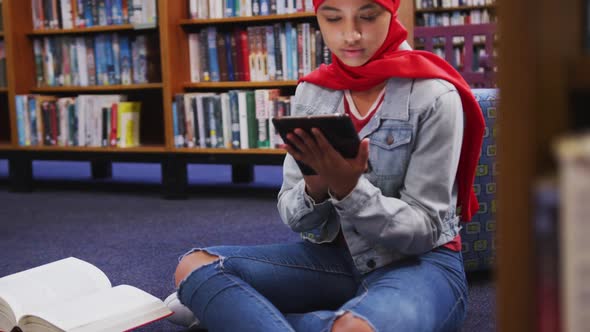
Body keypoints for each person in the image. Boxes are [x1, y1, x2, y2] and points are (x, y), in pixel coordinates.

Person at [167, 0, 485, 331]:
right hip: (335, 261)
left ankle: (250, 318)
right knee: (193, 268)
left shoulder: (434, 94)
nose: (350, 34)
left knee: (353, 329)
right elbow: (295, 217)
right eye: (333, 18)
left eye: (368, 16)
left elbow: (423, 233)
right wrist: (315, 188)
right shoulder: (313, 91)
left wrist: (350, 191)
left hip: (419, 265)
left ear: (393, 13)